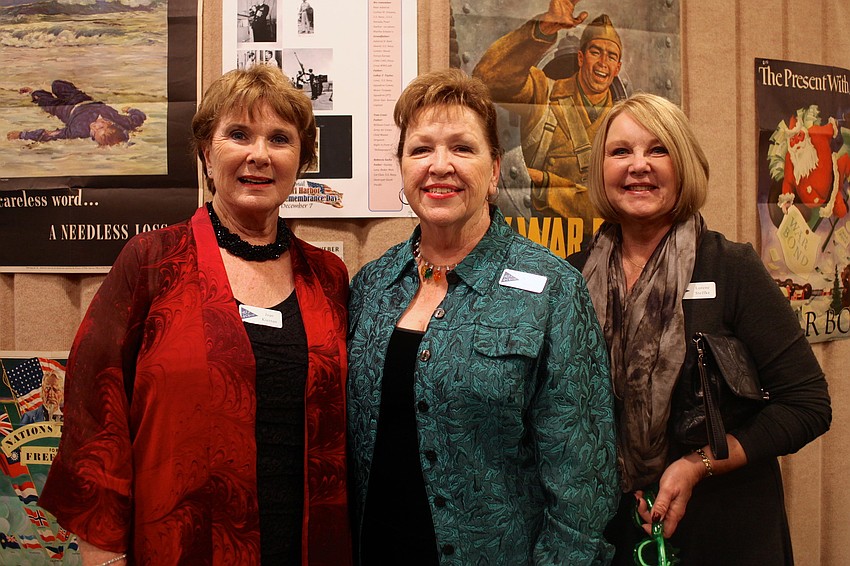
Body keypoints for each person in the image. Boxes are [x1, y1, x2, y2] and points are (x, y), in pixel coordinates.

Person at [39, 64, 352, 566]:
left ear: (302, 160)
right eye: (238, 134)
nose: (259, 154)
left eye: (279, 138)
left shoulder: (328, 277)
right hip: (183, 546)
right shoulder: (151, 262)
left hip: (311, 545)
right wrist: (102, 551)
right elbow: (95, 413)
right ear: (207, 153)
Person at [347, 68, 619, 565]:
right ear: (402, 167)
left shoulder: (553, 290)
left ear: (494, 170)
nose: (439, 165)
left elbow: (585, 484)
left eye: (462, 148)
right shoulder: (371, 286)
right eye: (421, 149)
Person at [568, 92, 832, 565]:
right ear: (600, 169)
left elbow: (808, 405)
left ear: (683, 163)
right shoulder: (570, 278)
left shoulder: (731, 269)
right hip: (611, 528)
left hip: (727, 530)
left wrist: (697, 466)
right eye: (621, 151)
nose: (639, 165)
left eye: (658, 150)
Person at [474, 0, 622, 238]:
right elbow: (488, 77)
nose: (603, 63)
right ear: (581, 58)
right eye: (596, 52)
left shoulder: (623, 121)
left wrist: (544, 180)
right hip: (538, 237)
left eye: (611, 56)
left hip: (601, 243)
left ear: (617, 68)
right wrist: (542, 29)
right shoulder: (545, 92)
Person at [6, 80, 146, 146]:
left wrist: (22, 135)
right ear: (108, 123)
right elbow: (138, 118)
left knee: (44, 101)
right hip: (82, 99)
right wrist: (131, 110)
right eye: (100, 128)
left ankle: (32, 91)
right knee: (57, 85)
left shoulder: (78, 131)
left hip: (67, 110)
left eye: (94, 133)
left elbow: (49, 134)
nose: (94, 127)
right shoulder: (119, 120)